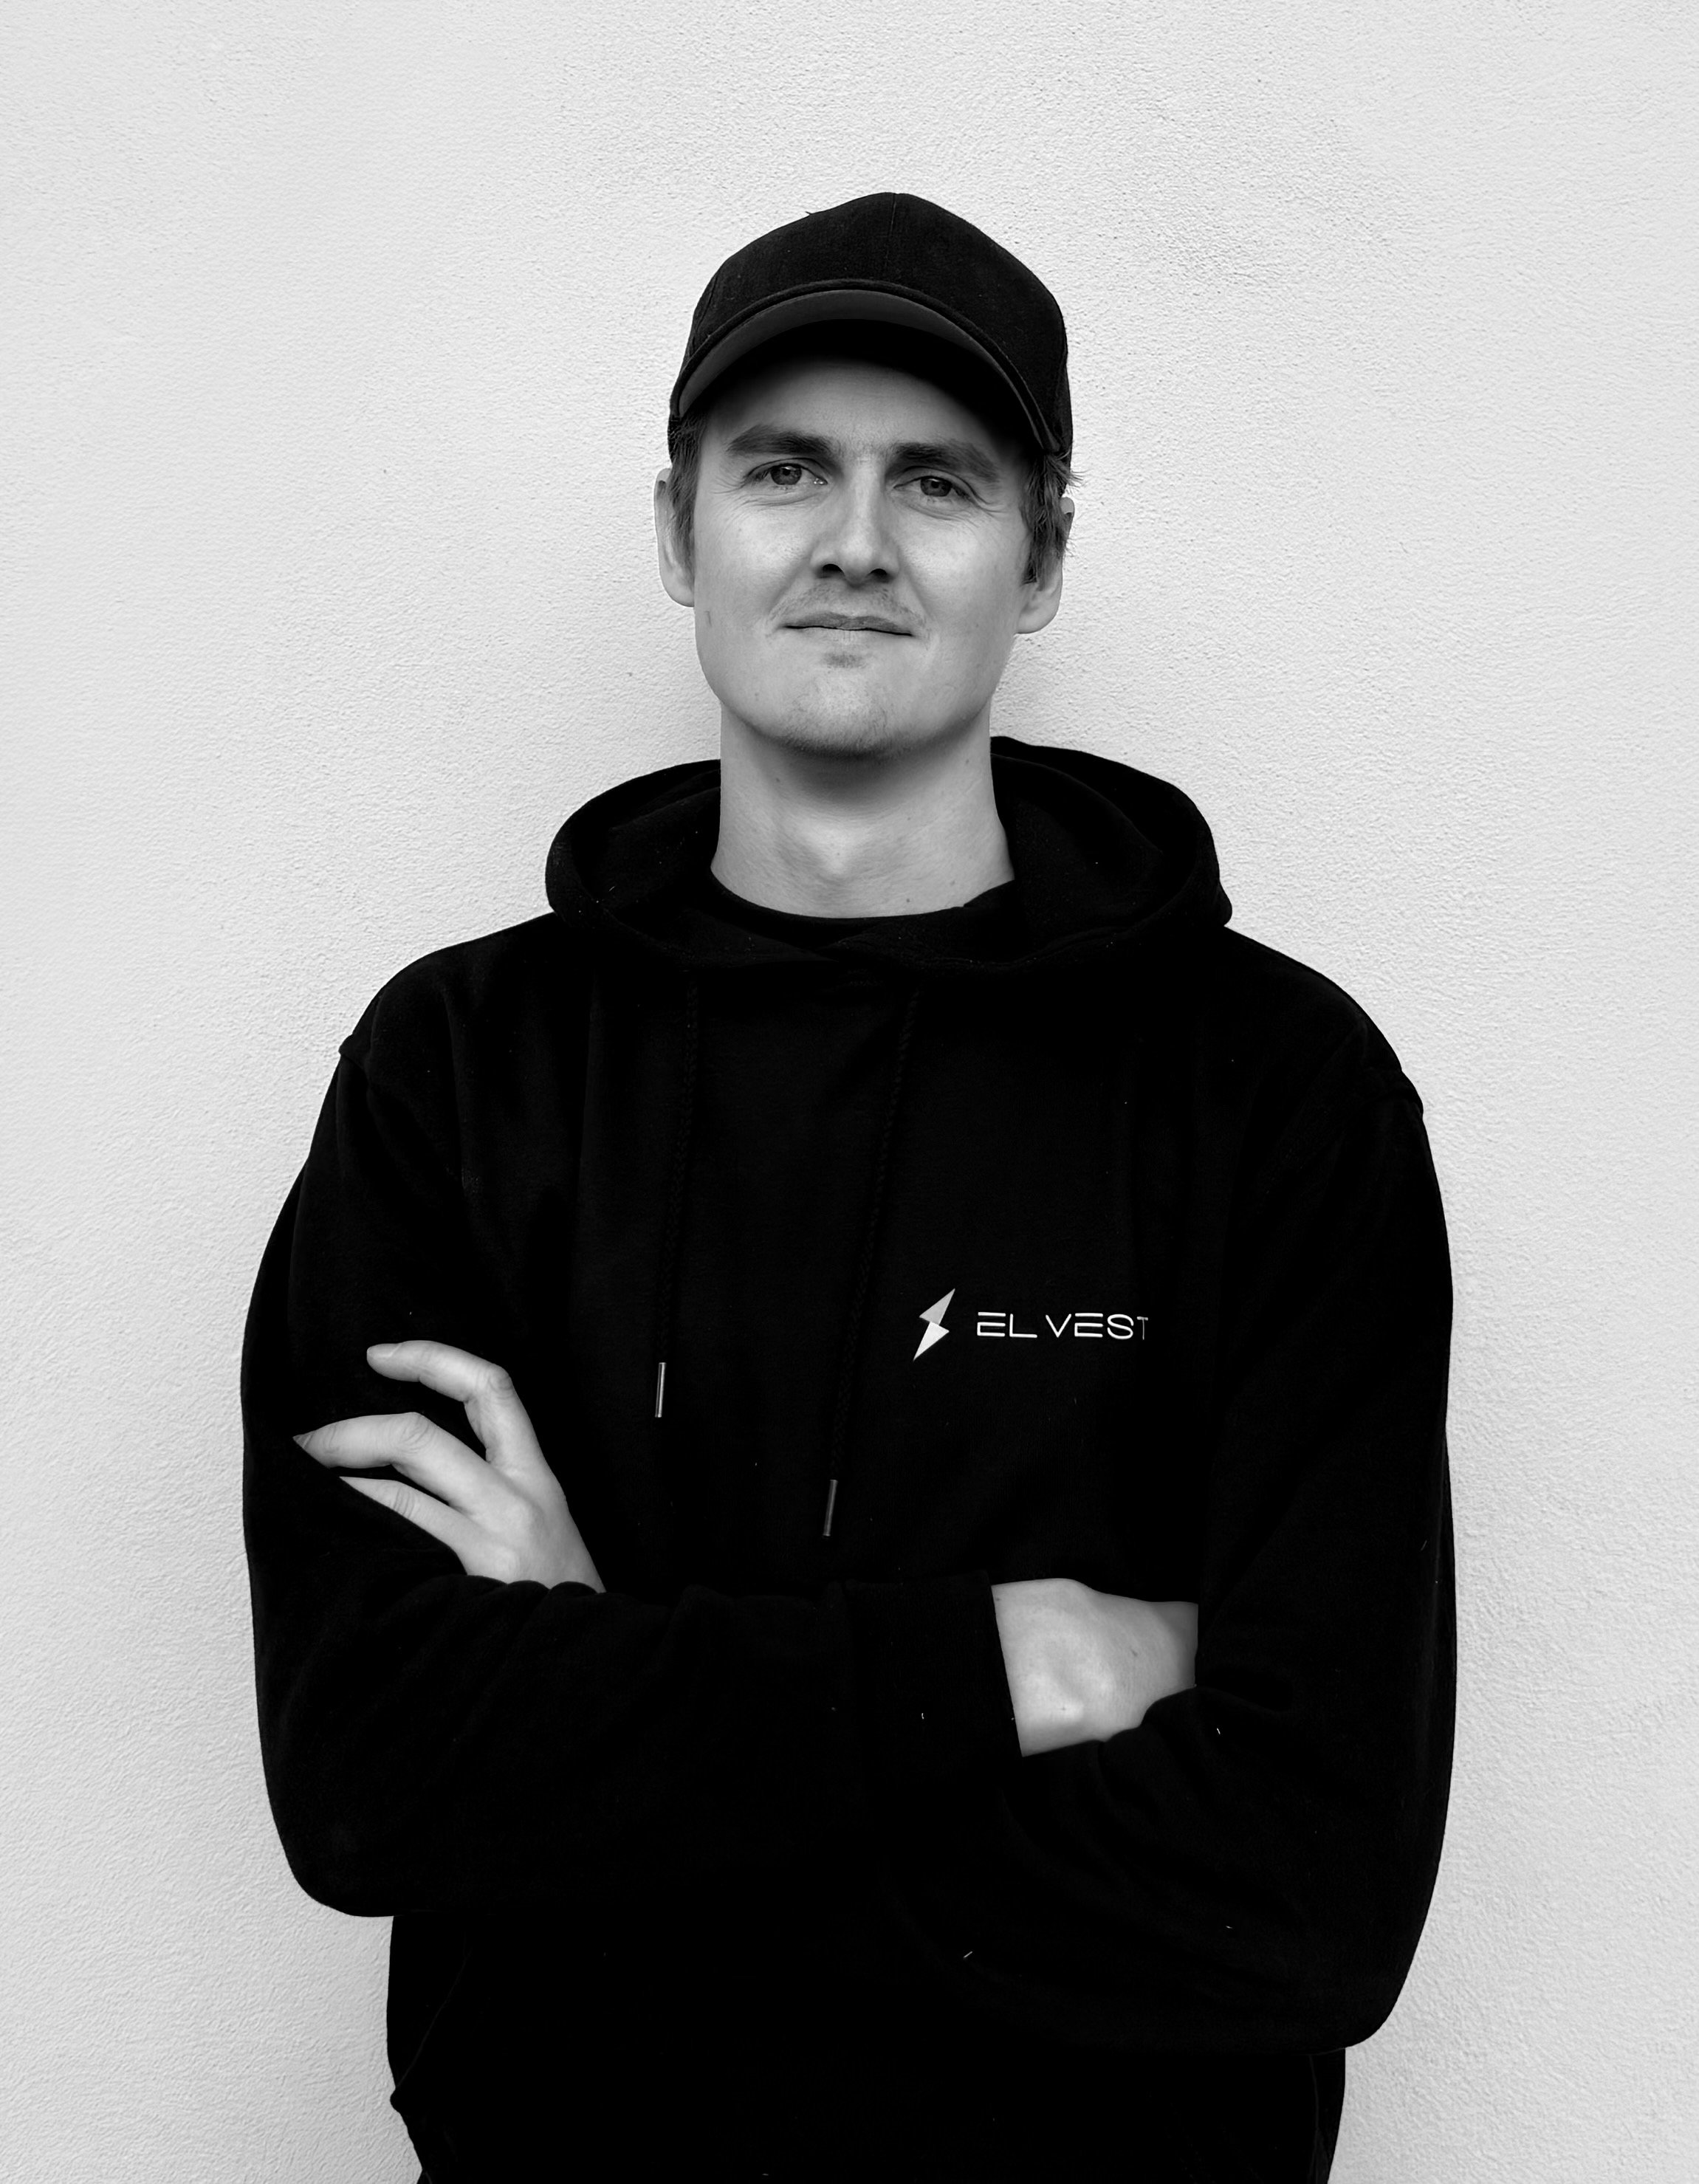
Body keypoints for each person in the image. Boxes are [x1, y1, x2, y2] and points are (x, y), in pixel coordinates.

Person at [242, 192, 1455, 2182]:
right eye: (784, 469)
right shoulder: (463, 1070)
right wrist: (1007, 1665)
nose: (856, 544)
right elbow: (374, 1784)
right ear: (680, 532)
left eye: (941, 482)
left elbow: (1307, 1896)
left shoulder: (1274, 1095)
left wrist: (605, 1693)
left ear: (1041, 557)